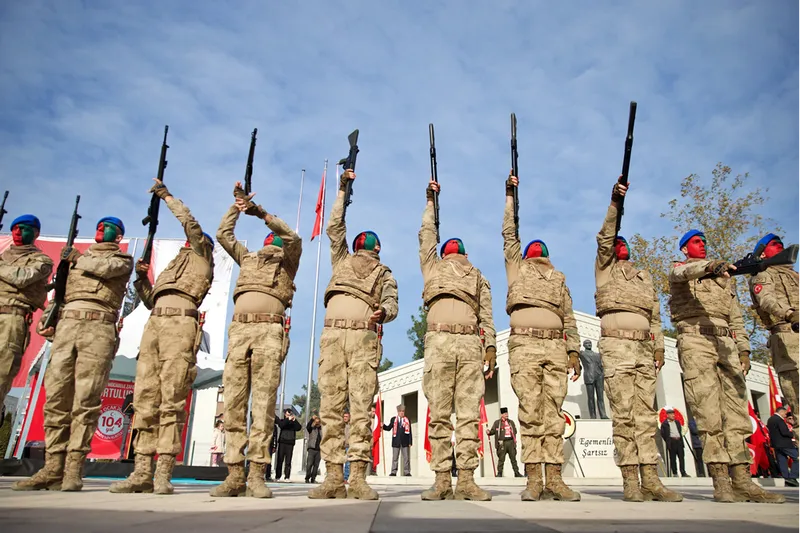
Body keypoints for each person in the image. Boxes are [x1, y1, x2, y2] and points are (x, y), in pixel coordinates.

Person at [111, 179, 215, 495]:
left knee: (171, 397)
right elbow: (151, 300)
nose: (187, 244)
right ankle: (141, 470)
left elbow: (191, 225)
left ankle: (162, 473)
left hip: (181, 326)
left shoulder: (201, 255)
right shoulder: (172, 268)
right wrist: (142, 279)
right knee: (145, 397)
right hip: (155, 323)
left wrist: (167, 196)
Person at [13, 216, 133, 492]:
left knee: (86, 398)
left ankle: (73, 469)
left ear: (118, 236)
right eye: (99, 225)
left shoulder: (120, 259)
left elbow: (104, 269)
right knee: (56, 397)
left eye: (109, 226)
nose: (101, 227)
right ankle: (52, 466)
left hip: (99, 325)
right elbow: (61, 294)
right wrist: (51, 316)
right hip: (67, 325)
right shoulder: (75, 260)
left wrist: (76, 258)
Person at [669, 229, 784, 503]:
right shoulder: (680, 269)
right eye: (696, 242)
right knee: (708, 412)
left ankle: (743, 480)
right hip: (696, 340)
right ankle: (721, 481)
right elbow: (684, 274)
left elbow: (735, 317)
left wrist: (743, 348)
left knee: (736, 413)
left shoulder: (725, 279)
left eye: (705, 241)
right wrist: (710, 266)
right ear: (685, 249)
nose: (703, 245)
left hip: (726, 344)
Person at [309, 169, 398, 501]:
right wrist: (343, 191)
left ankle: (357, 475)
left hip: (362, 340)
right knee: (330, 405)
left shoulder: (382, 272)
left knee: (361, 407)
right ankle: (333, 476)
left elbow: (392, 301)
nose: (365, 251)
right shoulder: (341, 259)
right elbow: (335, 227)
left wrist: (384, 313)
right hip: (334, 338)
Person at [210, 182, 302, 499]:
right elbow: (224, 236)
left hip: (269, 332)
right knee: (234, 401)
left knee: (262, 405)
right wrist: (236, 207)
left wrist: (261, 213)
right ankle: (235, 473)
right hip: (239, 332)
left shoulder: (288, 262)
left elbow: (294, 238)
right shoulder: (248, 258)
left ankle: (257, 474)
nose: (270, 244)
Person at [594, 175, 681, 502]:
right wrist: (616, 203)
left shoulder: (644, 277)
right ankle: (630, 480)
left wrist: (658, 348)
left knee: (646, 415)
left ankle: (651, 479)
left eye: (623, 242)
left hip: (644, 350)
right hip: (616, 349)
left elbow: (655, 316)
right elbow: (605, 237)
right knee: (625, 414)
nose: (621, 244)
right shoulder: (605, 269)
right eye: (617, 243)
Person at [502, 174, 581, 502]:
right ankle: (534, 478)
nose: (535, 249)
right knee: (530, 410)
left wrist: (573, 351)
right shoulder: (517, 268)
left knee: (554, 411)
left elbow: (569, 316)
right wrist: (510, 197)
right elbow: (509, 236)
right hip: (524, 345)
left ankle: (556, 478)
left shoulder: (559, 278)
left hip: (555, 346)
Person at [419, 178, 496, 502]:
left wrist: (490, 347)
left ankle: (465, 479)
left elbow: (487, 316)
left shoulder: (478, 276)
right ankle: (441, 480)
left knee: (467, 414)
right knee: (439, 412)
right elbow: (427, 237)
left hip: (468, 345)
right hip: (439, 341)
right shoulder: (432, 266)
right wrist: (431, 204)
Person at [749, 233, 799, 440]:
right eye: (772, 245)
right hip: (788, 338)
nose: (779, 246)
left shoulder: (795, 275)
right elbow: (766, 300)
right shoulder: (763, 275)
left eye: (780, 244)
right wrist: (789, 313)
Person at [0, 214, 52, 410]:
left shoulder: (41, 260)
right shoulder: (3, 257)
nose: (17, 232)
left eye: (24, 228)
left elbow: (21, 278)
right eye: (14, 228)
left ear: (36, 233)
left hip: (12, 319)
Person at [767, 406, 799, 487]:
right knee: (798, 458)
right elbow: (784, 432)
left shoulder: (770, 419)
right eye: (785, 413)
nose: (786, 415)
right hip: (785, 444)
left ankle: (787, 479)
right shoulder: (779, 420)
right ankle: (792, 477)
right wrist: (794, 434)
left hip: (776, 445)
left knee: (782, 461)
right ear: (781, 412)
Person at [487, 407, 522, 477]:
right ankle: (499, 473)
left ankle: (516, 472)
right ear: (501, 415)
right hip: (502, 443)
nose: (506, 414)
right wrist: (489, 432)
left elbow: (515, 431)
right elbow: (493, 431)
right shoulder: (497, 423)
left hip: (511, 442)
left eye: (507, 413)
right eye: (505, 413)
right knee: (501, 459)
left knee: (513, 459)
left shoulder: (511, 422)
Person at [578, 340, 607, 419]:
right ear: (584, 345)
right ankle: (593, 416)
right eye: (587, 343)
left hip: (599, 376)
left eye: (590, 343)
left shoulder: (597, 355)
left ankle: (603, 414)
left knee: (600, 397)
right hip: (589, 376)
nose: (589, 344)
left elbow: (601, 366)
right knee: (591, 398)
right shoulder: (582, 353)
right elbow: (573, 349)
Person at [383, 404, 413, 476]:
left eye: (403, 411)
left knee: (406, 458)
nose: (402, 413)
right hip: (396, 441)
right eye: (400, 411)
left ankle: (407, 472)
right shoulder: (394, 419)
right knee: (395, 458)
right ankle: (393, 471)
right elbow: (389, 428)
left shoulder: (407, 420)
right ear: (398, 412)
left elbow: (410, 432)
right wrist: (383, 425)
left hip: (405, 442)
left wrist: (410, 442)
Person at [660, 408, 688, 477]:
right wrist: (668, 440)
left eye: (673, 414)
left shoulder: (677, 422)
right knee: (673, 458)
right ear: (668, 415)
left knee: (681, 457)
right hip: (671, 442)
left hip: (679, 441)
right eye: (671, 414)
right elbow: (663, 434)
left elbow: (679, 431)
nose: (673, 415)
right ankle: (675, 473)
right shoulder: (664, 424)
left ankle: (683, 472)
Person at [276, 409, 301, 481]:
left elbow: (298, 428)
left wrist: (294, 420)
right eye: (287, 414)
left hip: (290, 443)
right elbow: (281, 425)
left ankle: (287, 477)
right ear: (285, 414)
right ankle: (278, 476)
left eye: (290, 414)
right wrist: (287, 419)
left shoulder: (293, 423)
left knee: (288, 461)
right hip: (282, 442)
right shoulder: (283, 421)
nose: (289, 415)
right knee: (280, 460)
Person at [305, 414, 322, 483]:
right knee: (309, 464)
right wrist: (312, 419)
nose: (317, 422)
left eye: (318, 420)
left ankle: (313, 478)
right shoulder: (311, 428)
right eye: (316, 421)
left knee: (316, 465)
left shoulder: (322, 429)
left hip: (319, 450)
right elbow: (308, 426)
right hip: (312, 449)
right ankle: (307, 477)